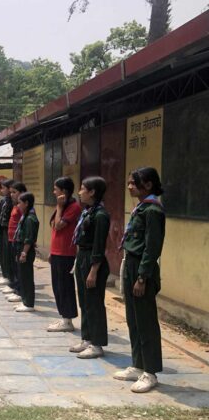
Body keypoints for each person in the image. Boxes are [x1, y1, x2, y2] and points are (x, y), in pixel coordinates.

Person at [115, 167, 166, 393]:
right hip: (131, 264)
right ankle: (138, 364)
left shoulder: (153, 210)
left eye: (133, 183)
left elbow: (152, 247)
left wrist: (142, 277)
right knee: (133, 319)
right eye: (128, 182)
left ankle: (150, 372)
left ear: (148, 184)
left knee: (146, 321)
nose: (129, 187)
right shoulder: (141, 207)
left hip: (142, 268)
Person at [70, 176, 111, 359]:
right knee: (84, 301)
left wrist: (93, 271)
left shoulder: (100, 215)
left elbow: (99, 245)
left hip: (93, 261)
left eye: (82, 189)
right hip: (83, 257)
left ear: (92, 192)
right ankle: (87, 338)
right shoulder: (88, 212)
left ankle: (97, 344)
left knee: (94, 303)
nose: (79, 192)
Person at [46, 177, 82, 333]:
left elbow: (59, 225)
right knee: (57, 286)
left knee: (65, 286)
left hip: (66, 252)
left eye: (56, 189)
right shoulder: (63, 206)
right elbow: (54, 227)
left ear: (64, 191)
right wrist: (51, 251)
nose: (54, 192)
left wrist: (60, 207)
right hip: (57, 251)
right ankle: (64, 317)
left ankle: (68, 320)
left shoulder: (73, 207)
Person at [14, 191, 39, 312]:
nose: (18, 205)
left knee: (27, 277)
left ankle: (29, 303)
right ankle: (25, 301)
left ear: (26, 203)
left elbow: (29, 238)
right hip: (21, 248)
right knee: (22, 276)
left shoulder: (30, 218)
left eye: (20, 203)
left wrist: (24, 253)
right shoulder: (25, 215)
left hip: (26, 250)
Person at [4, 182, 27, 302]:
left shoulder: (23, 208)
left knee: (19, 268)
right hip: (11, 239)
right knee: (13, 265)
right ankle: (15, 287)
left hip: (17, 240)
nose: (11, 194)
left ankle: (20, 291)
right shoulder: (15, 205)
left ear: (22, 193)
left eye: (14, 192)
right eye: (11, 192)